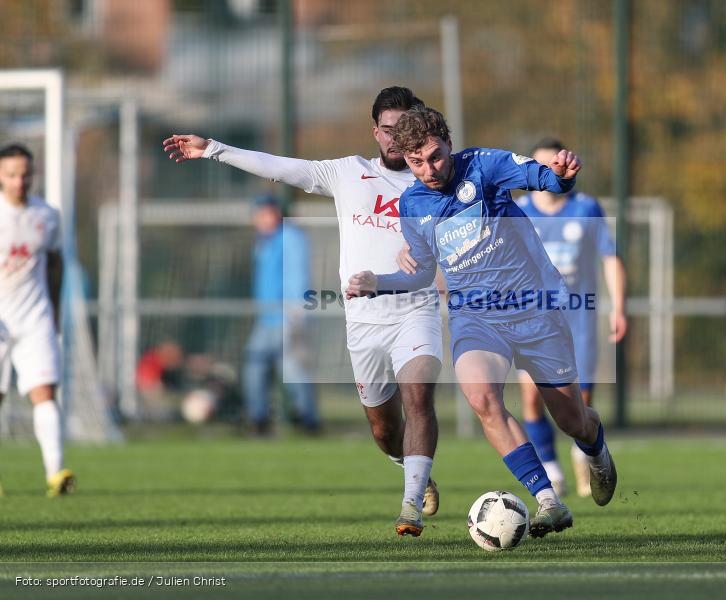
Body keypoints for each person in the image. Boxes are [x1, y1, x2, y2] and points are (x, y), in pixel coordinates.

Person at [163, 87, 441, 537]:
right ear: (376, 132)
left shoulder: (435, 178)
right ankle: (410, 469)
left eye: (406, 129)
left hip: (417, 310)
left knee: (418, 398)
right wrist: (214, 149)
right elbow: (281, 167)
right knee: (383, 430)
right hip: (365, 321)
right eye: (389, 130)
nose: (397, 139)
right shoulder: (348, 173)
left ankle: (410, 504)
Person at [346, 106, 618, 538]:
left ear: (449, 144)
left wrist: (563, 175)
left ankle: (596, 445)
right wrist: (378, 281)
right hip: (476, 317)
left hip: (534, 310)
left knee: (570, 419)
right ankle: (548, 501)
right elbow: (421, 270)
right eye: (416, 161)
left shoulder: (485, 166)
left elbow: (542, 177)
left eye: (435, 156)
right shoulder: (412, 203)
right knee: (482, 399)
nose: (428, 169)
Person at [515, 138, 627, 498]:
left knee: (578, 403)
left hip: (577, 318)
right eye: (540, 167)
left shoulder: (586, 208)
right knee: (531, 397)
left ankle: (587, 457)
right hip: (533, 318)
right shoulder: (518, 209)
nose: (549, 172)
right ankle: (551, 469)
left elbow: (610, 258)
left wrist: (619, 306)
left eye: (554, 165)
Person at [0, 143, 75, 497]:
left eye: (25, 174)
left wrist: (55, 312)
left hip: (35, 317)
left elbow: (57, 264)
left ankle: (55, 473)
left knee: (45, 393)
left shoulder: (47, 215)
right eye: (12, 174)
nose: (19, 181)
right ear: (1, 175)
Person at [243, 193, 319, 436]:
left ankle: (308, 421)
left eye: (267, 212)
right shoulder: (263, 240)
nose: (263, 218)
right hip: (266, 318)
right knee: (254, 366)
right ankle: (259, 420)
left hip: (288, 316)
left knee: (294, 369)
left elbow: (298, 275)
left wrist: (297, 311)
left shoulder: (290, 236)